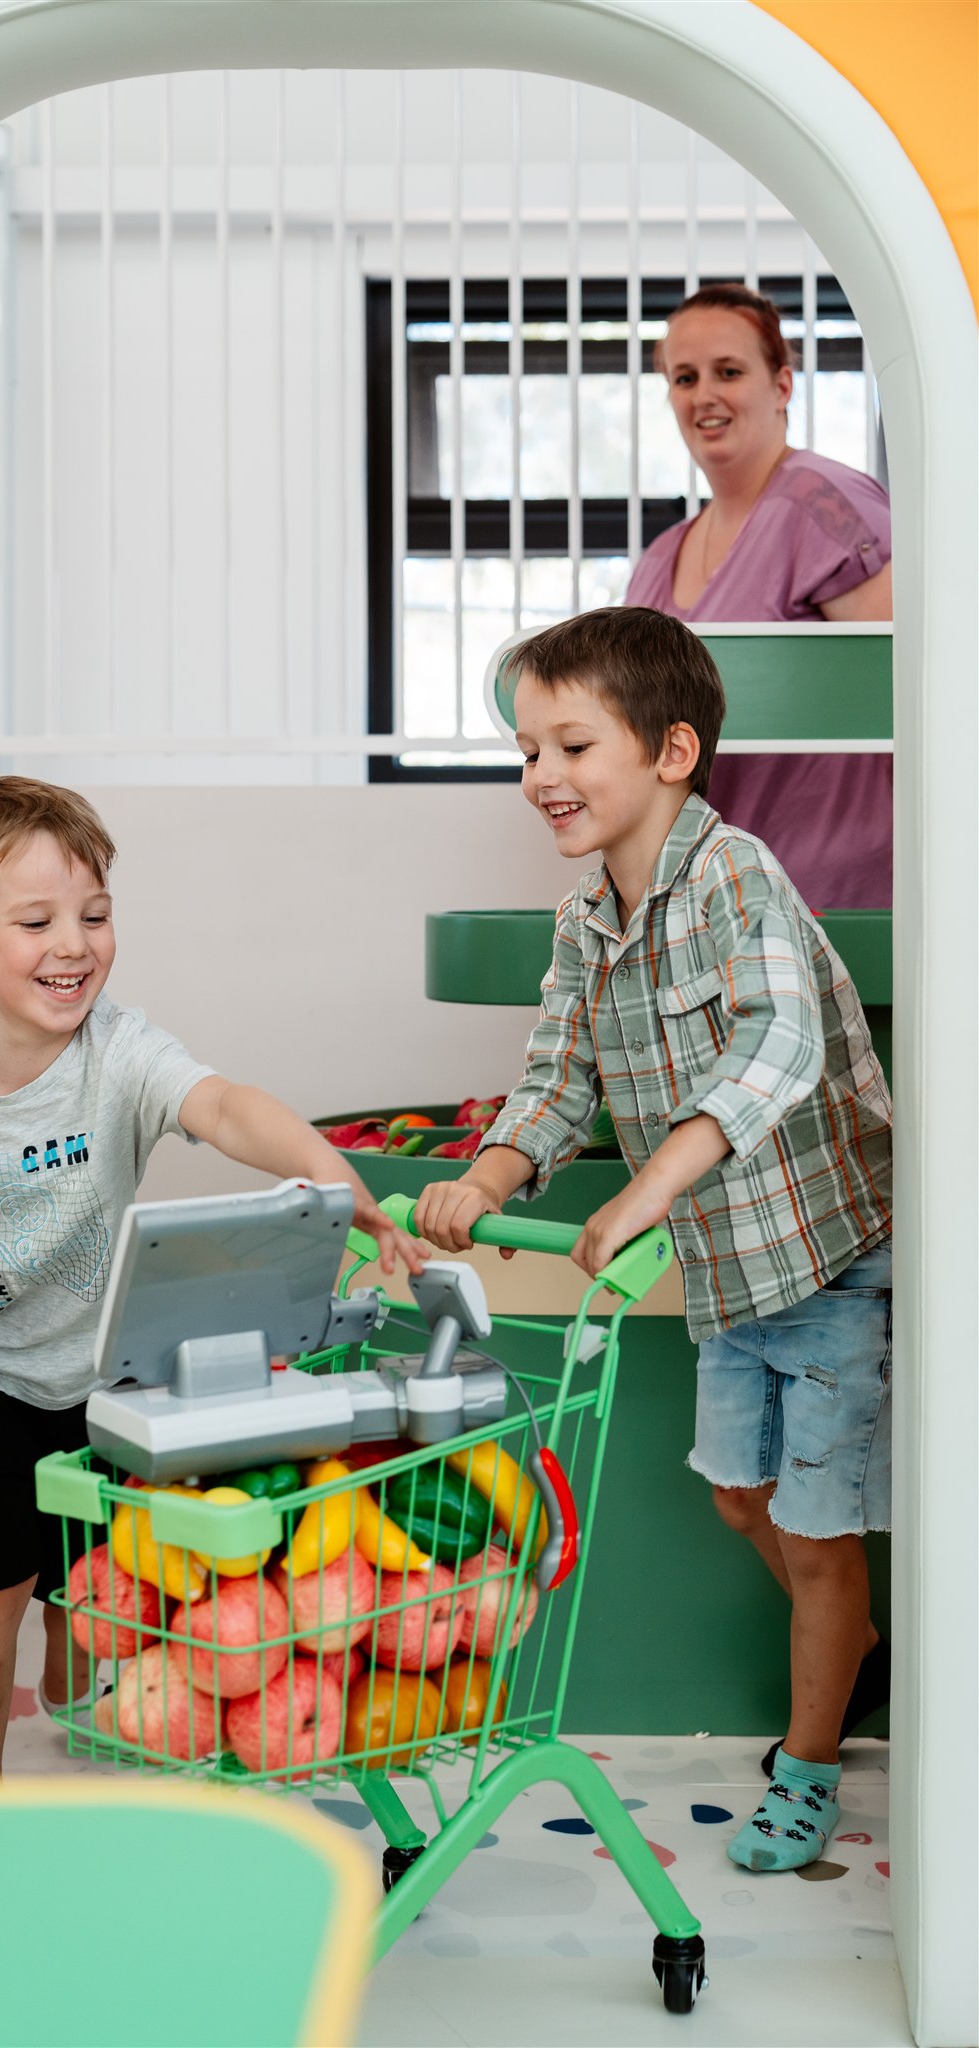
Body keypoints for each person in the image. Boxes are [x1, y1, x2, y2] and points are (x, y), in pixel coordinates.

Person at [0, 774, 420, 1776]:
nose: (74, 943)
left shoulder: (125, 1053)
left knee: (83, 1567)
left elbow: (225, 1106)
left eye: (94, 914)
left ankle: (67, 1632)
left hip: (104, 1359)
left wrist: (330, 1173)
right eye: (37, 919)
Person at [414, 608, 892, 1872]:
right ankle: (858, 1655)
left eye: (572, 743)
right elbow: (559, 1077)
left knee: (817, 1523)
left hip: (833, 1249)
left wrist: (648, 1186)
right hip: (737, 1270)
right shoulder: (585, 919)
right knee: (740, 1499)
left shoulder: (738, 877)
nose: (541, 777)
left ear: (673, 749)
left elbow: (778, 1044)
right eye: (526, 751)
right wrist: (494, 1169)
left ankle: (809, 1761)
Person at [627, 282, 892, 911]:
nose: (705, 395)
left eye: (729, 371)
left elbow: (911, 700)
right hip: (713, 907)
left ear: (781, 384)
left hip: (834, 894)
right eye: (684, 378)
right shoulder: (658, 561)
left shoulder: (828, 507)